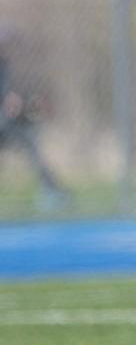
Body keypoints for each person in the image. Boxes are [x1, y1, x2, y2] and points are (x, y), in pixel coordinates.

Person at [0, 25, 68, 211]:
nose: (6, 48)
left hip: (6, 125)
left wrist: (23, 105)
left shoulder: (6, 66)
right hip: (3, 123)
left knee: (30, 144)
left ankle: (51, 191)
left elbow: (12, 100)